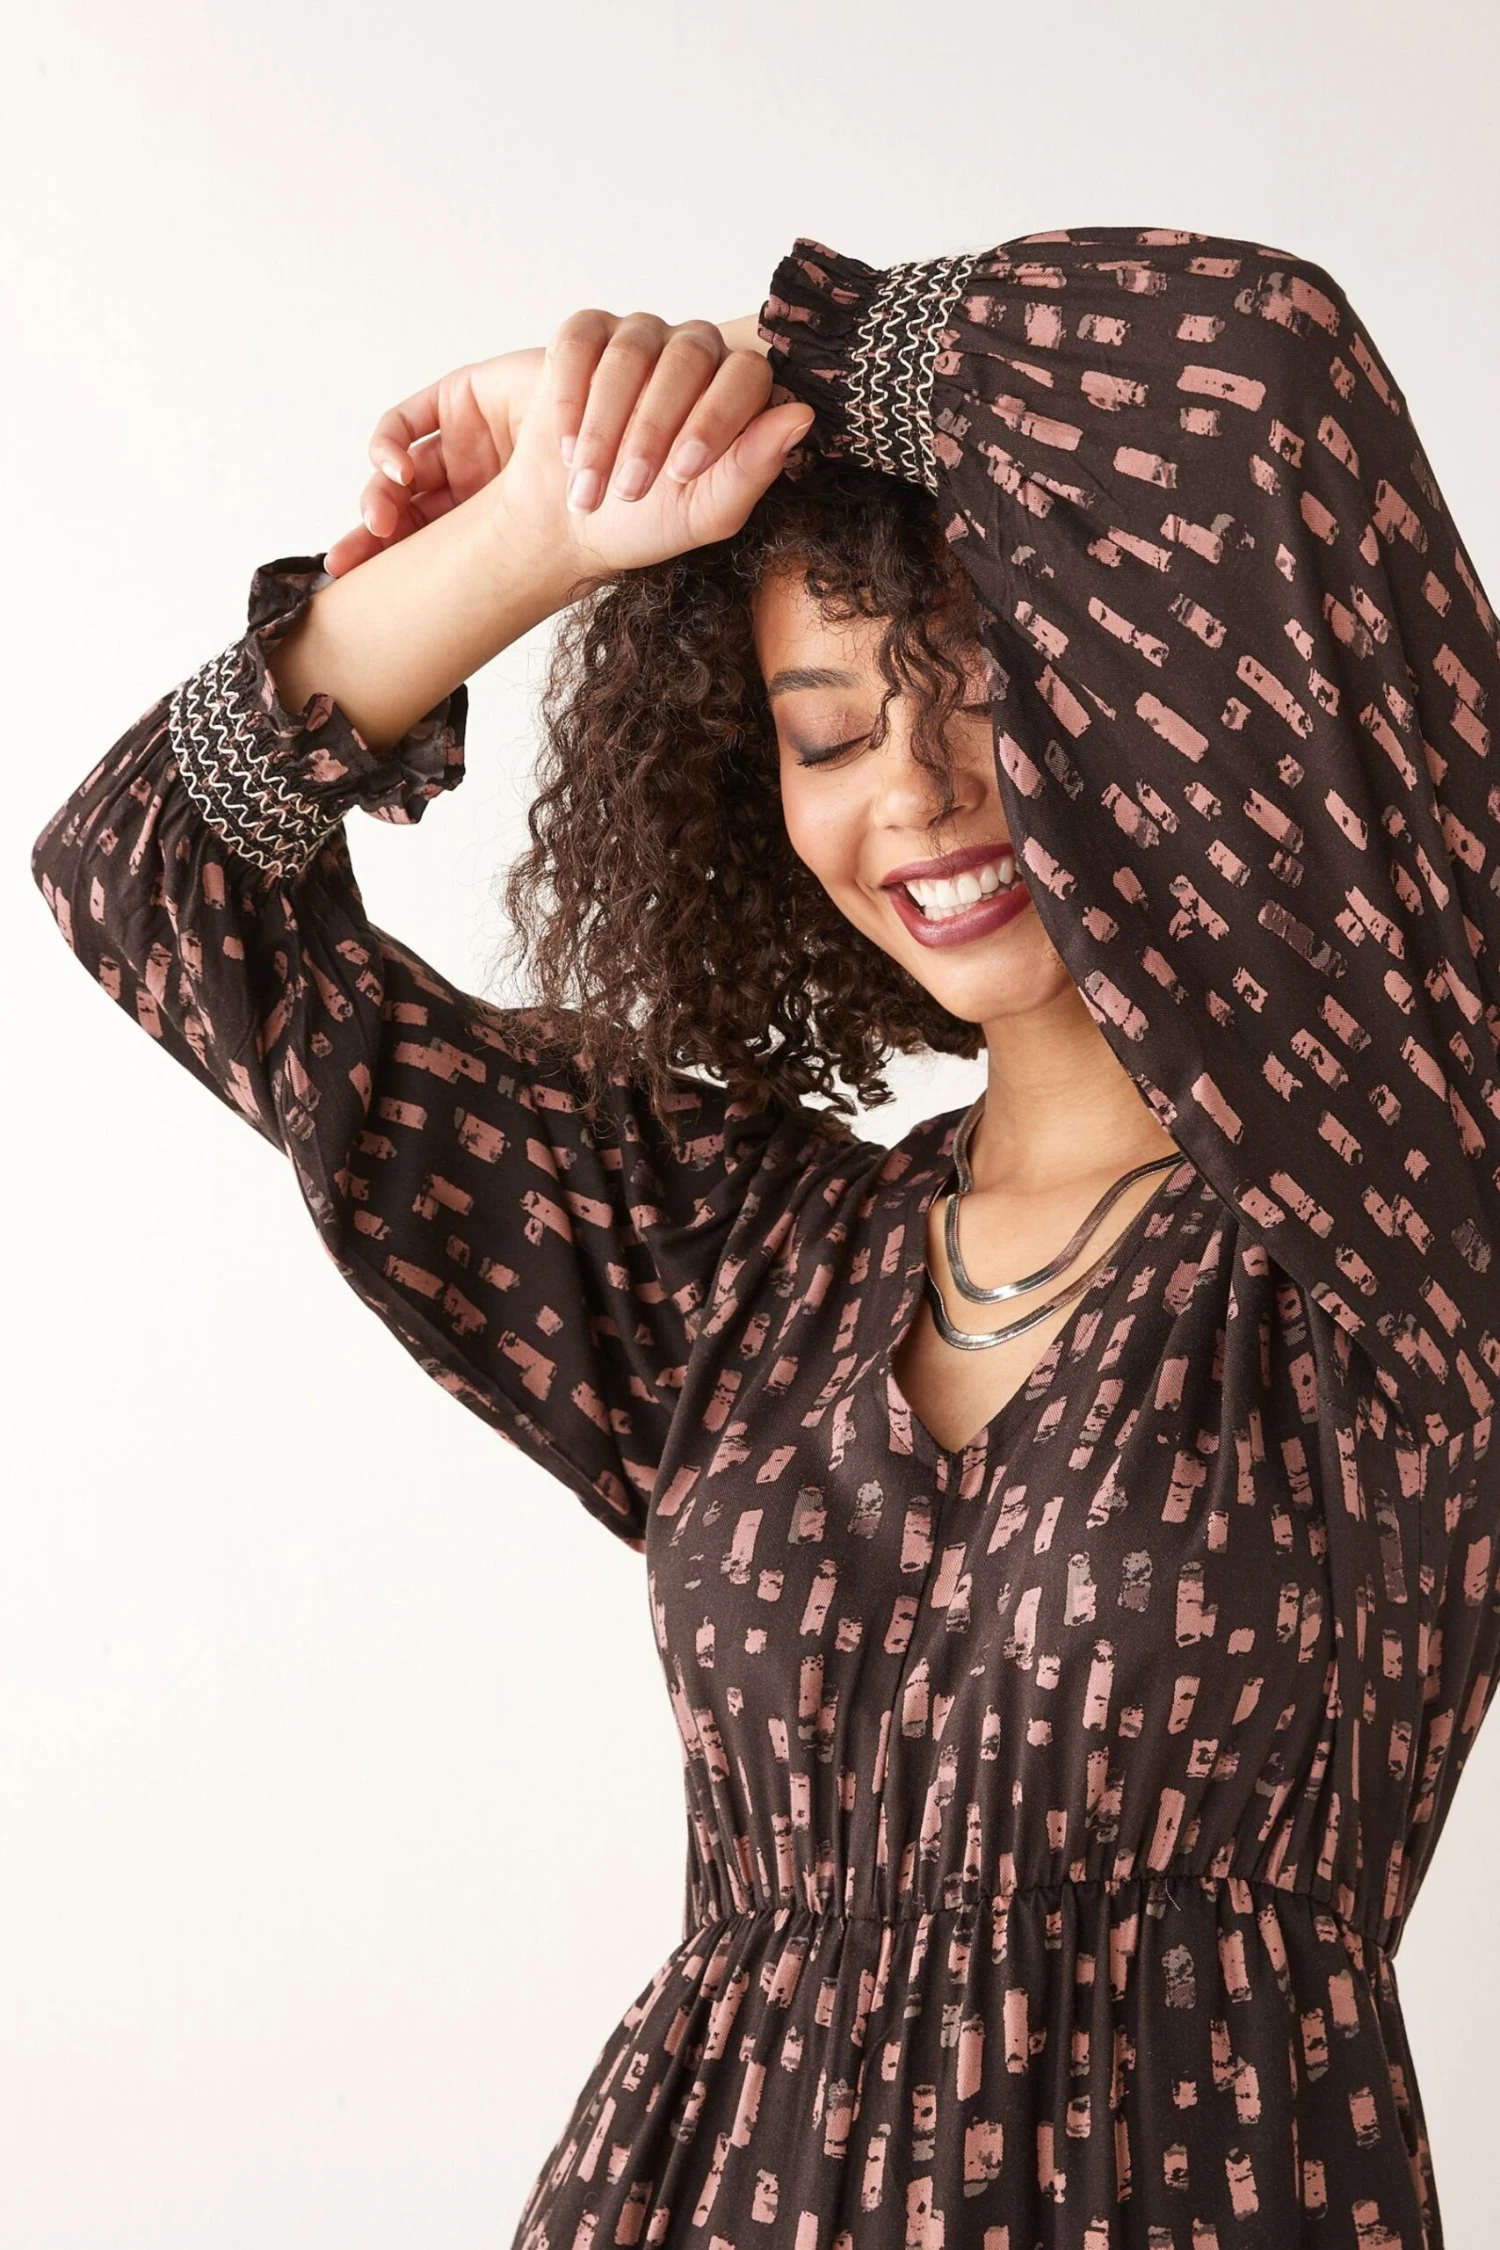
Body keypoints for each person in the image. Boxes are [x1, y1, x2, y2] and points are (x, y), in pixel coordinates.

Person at [30, 223, 1500, 2248]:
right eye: (827, 732)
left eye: (991, 698)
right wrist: (553, 522)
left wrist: (727, 385)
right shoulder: (747, 1260)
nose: (923, 793)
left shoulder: (1398, 1213)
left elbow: (1262, 370)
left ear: (1152, 711)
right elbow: (151, 872)